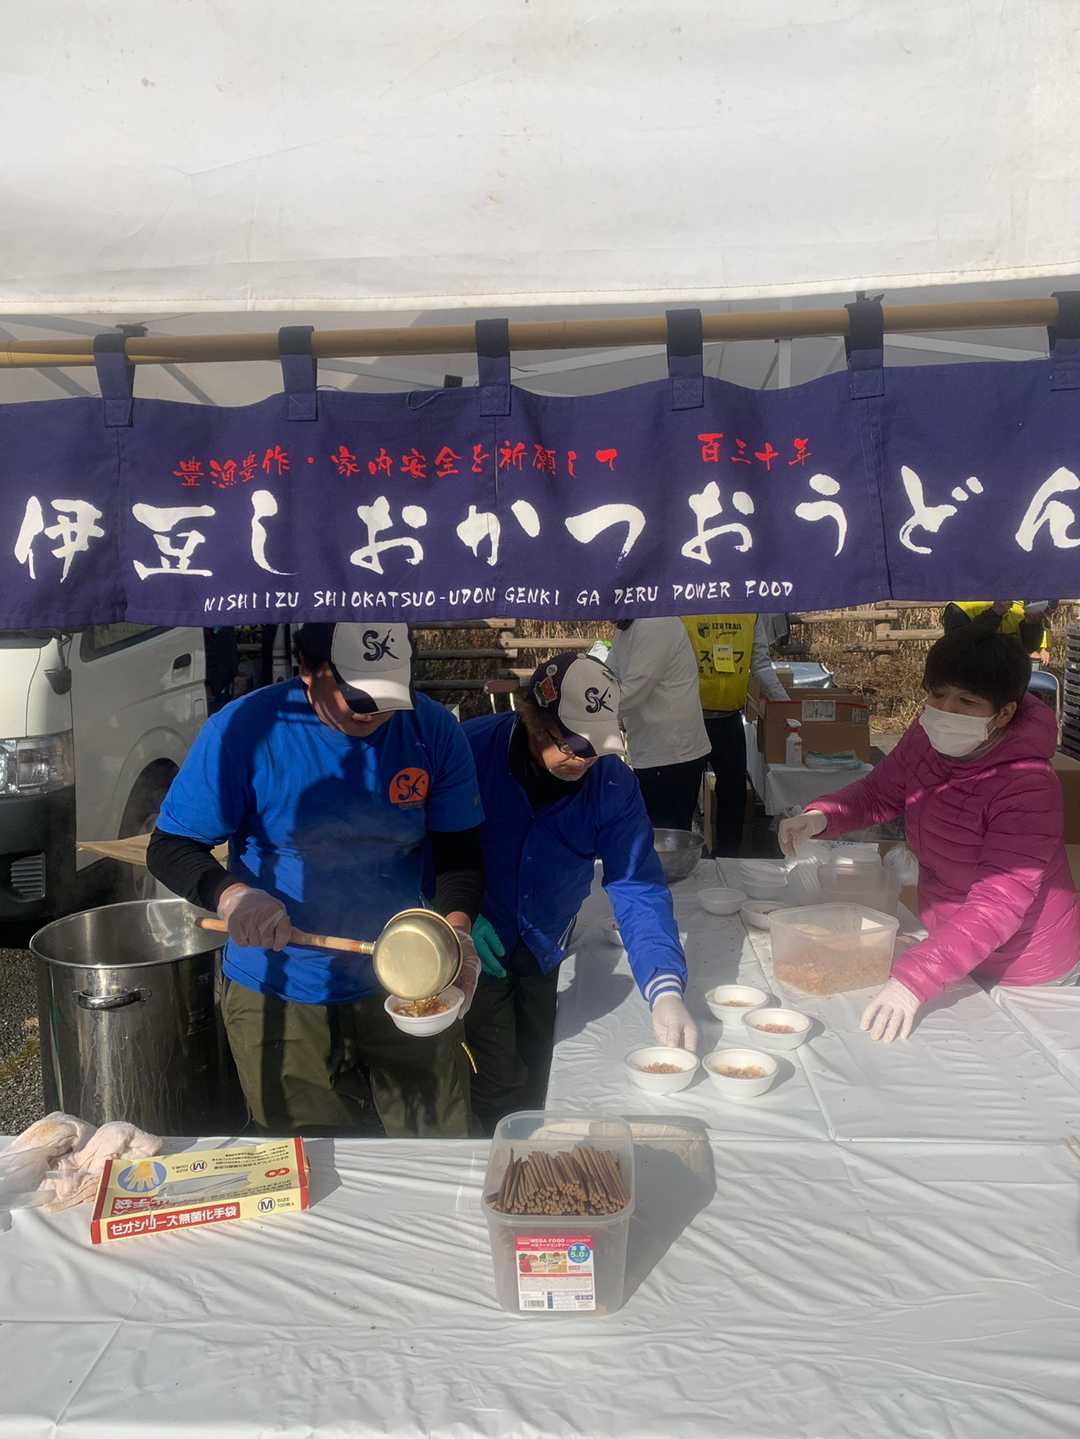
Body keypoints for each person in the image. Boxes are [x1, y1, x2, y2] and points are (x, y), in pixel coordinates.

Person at [147, 622, 483, 1138]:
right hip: (280, 983)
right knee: (307, 1157)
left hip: (407, 970)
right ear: (308, 669)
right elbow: (170, 846)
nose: (375, 713)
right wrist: (233, 896)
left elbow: (460, 851)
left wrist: (457, 934)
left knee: (438, 1139)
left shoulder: (431, 730)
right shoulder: (246, 730)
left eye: (391, 697)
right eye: (357, 698)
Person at [779, 628, 1080, 1043]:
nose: (945, 711)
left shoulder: (1028, 786)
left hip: (1026, 972)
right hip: (952, 951)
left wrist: (915, 978)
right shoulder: (926, 736)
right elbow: (879, 792)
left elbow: (998, 904)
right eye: (937, 695)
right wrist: (820, 817)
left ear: (1004, 713)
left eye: (966, 702)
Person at [461, 653, 696, 1133]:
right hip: (476, 931)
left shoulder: (612, 783)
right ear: (535, 722)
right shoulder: (470, 751)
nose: (584, 760)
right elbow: (418, 842)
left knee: (541, 1056)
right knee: (494, 1073)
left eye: (596, 748)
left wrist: (665, 986)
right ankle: (492, 1149)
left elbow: (636, 884)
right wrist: (452, 913)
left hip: (547, 935)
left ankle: (534, 1139)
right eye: (572, 746)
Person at [681, 613, 789, 856]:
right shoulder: (685, 606)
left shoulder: (750, 613)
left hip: (729, 719)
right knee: (684, 793)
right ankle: (683, 856)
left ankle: (728, 859)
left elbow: (760, 664)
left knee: (733, 795)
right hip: (690, 719)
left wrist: (785, 704)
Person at [610, 617, 710, 831]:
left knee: (666, 836)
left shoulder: (656, 622)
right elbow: (610, 673)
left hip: (672, 752)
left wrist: (585, 715)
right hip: (651, 747)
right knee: (652, 830)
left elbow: (634, 691)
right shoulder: (625, 628)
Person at [942, 600, 1049, 658]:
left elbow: (1029, 647)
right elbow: (958, 649)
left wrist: (1032, 624)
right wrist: (994, 614)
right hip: (971, 680)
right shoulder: (960, 606)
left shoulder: (1024, 604)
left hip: (1007, 678)